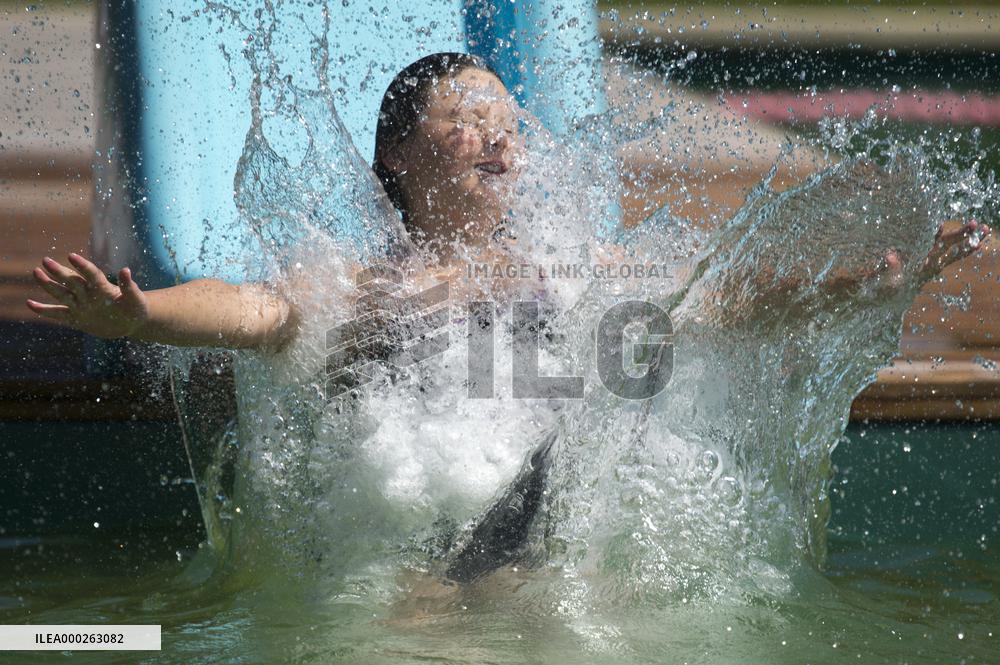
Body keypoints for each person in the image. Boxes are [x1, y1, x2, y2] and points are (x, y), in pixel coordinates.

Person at [25, 52, 991, 579]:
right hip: (417, 576)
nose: (499, 139)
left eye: (507, 122)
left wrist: (863, 284)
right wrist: (143, 314)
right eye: (464, 122)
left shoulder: (569, 266)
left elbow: (716, 303)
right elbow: (259, 310)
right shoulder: (370, 286)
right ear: (398, 157)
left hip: (554, 560)